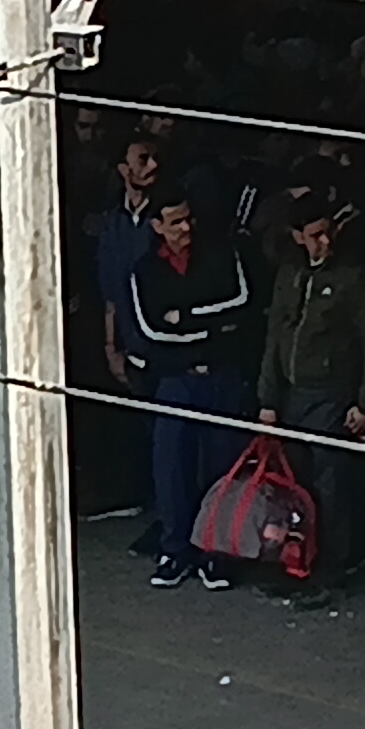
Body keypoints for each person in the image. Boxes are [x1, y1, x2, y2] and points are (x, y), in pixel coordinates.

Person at [121, 190, 256, 590]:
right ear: (157, 226)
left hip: (222, 377)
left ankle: (216, 553)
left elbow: (242, 305)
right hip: (176, 382)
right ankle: (175, 550)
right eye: (175, 222)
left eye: (188, 219)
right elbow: (151, 332)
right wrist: (209, 329)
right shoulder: (144, 270)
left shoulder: (222, 254)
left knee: (222, 468)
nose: (185, 228)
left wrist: (187, 319)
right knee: (171, 468)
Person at [254, 200, 365, 592]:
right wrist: (268, 399)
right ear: (297, 237)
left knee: (331, 484)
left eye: (328, 232)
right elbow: (275, 335)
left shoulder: (353, 277)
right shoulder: (289, 273)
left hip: (331, 393)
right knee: (293, 484)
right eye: (314, 234)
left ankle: (331, 566)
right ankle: (295, 560)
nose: (324, 241)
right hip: (291, 393)